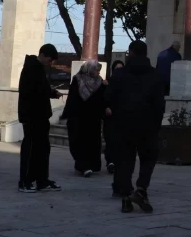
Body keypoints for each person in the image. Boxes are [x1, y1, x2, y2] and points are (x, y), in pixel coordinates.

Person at [107, 40, 164, 214]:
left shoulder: (119, 75)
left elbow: (109, 98)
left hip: (123, 125)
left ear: (130, 53)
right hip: (148, 125)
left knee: (124, 161)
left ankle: (126, 196)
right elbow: (159, 104)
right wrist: (156, 123)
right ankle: (141, 189)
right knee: (148, 159)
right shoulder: (155, 75)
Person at [18, 44, 62, 193]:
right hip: (32, 116)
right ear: (42, 55)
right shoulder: (31, 69)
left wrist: (51, 93)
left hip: (41, 116)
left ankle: (42, 180)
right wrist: (48, 92)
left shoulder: (39, 69)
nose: (51, 64)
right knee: (30, 149)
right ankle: (25, 181)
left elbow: (41, 90)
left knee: (43, 149)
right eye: (50, 60)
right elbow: (30, 92)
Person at [62, 60, 106, 176]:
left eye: (98, 70)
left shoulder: (100, 82)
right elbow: (72, 98)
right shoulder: (78, 79)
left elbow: (102, 99)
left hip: (93, 118)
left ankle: (91, 165)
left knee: (92, 142)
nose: (97, 72)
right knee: (79, 141)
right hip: (79, 116)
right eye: (96, 70)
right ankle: (83, 166)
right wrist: (68, 114)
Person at [104, 59, 125, 174]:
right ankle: (110, 161)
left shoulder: (127, 84)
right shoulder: (108, 83)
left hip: (121, 116)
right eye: (117, 69)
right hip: (110, 116)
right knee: (110, 139)